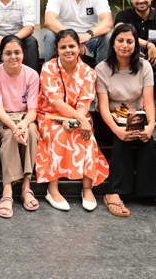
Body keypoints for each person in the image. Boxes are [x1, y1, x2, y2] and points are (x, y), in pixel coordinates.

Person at [95, 24, 156, 218]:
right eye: (120, 40)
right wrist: (117, 129)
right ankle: (114, 191)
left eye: (130, 41)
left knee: (145, 136)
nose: (125, 45)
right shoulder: (102, 69)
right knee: (124, 133)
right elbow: (103, 107)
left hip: (136, 116)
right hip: (108, 120)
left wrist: (151, 125)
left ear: (136, 45)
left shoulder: (144, 66)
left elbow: (149, 101)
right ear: (113, 44)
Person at [36, 29, 109, 211]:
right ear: (57, 49)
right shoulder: (48, 68)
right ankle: (52, 189)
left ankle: (87, 188)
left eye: (72, 46)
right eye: (63, 47)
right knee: (58, 134)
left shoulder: (88, 72)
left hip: (78, 115)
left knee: (86, 136)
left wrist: (78, 120)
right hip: (49, 115)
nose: (68, 50)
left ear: (80, 48)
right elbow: (56, 102)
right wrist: (78, 119)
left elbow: (85, 102)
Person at [0, 35, 40, 218]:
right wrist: (14, 127)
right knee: (11, 135)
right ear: (1, 55)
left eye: (17, 52)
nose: (13, 57)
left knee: (32, 131)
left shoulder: (32, 75)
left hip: (24, 119)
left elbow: (32, 111)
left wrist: (24, 124)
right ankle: (7, 189)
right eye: (8, 53)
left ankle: (26, 186)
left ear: (23, 53)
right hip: (0, 120)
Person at [43, 0, 114, 64]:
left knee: (107, 36)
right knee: (50, 35)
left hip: (90, 39)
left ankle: (102, 72)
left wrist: (89, 34)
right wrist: (73, 38)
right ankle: (50, 71)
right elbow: (49, 21)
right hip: (64, 37)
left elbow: (108, 22)